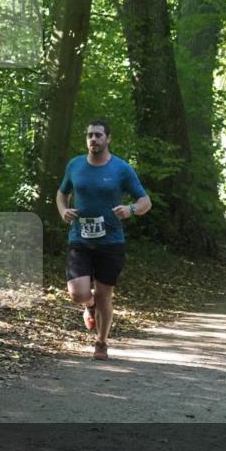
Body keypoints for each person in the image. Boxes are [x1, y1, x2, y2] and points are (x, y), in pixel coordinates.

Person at [57, 120, 151, 360]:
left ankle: (101, 342)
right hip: (80, 239)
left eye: (98, 135)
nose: (93, 139)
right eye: (89, 135)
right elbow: (62, 193)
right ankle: (88, 306)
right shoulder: (75, 165)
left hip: (110, 242)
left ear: (108, 139)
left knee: (104, 295)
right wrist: (63, 210)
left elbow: (145, 201)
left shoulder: (121, 169)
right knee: (78, 293)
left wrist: (130, 209)